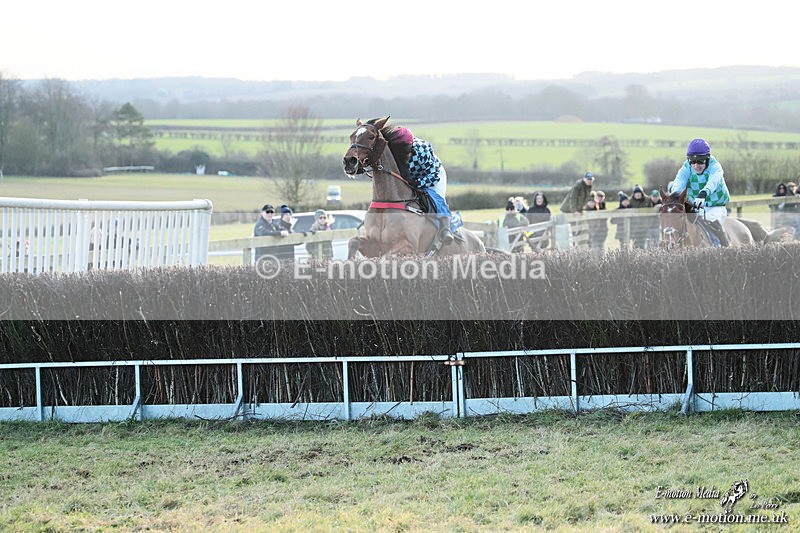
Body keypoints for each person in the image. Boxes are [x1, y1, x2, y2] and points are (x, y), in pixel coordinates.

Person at [391, 126, 456, 245]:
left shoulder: (422, 149)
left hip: (433, 175)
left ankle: (446, 228)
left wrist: (419, 183)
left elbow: (433, 174)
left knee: (435, 198)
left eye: (406, 150)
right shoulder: (392, 149)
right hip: (411, 177)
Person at [668, 138, 731, 246]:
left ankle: (725, 246)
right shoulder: (686, 167)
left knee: (711, 219)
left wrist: (704, 193)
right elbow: (679, 182)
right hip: (696, 206)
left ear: (707, 159)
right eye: (692, 161)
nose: (696, 166)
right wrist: (675, 196)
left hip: (716, 206)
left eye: (700, 161)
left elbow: (713, 181)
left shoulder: (715, 167)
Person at [628, 184, 653, 249]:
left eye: (639, 192)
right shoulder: (630, 201)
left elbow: (651, 211)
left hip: (645, 226)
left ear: (642, 193)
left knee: (645, 244)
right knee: (635, 244)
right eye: (636, 193)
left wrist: (649, 224)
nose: (638, 194)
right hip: (634, 227)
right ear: (633, 194)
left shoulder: (647, 199)